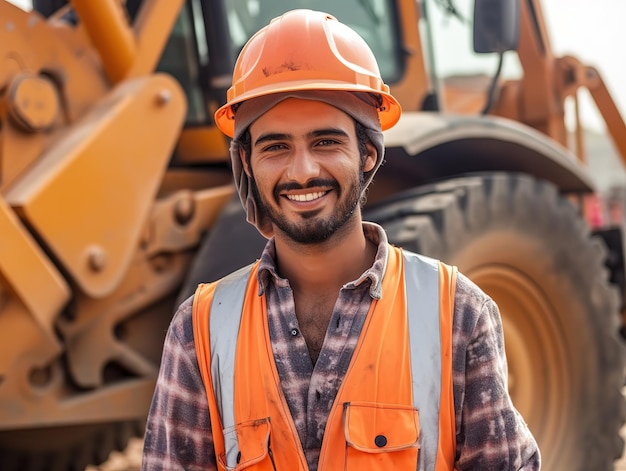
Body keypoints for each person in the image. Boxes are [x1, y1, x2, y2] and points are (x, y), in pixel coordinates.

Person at [142, 9, 540, 470]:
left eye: (326, 142)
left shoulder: (457, 316)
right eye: (275, 147)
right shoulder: (200, 332)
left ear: (367, 153)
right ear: (247, 164)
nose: (302, 171)